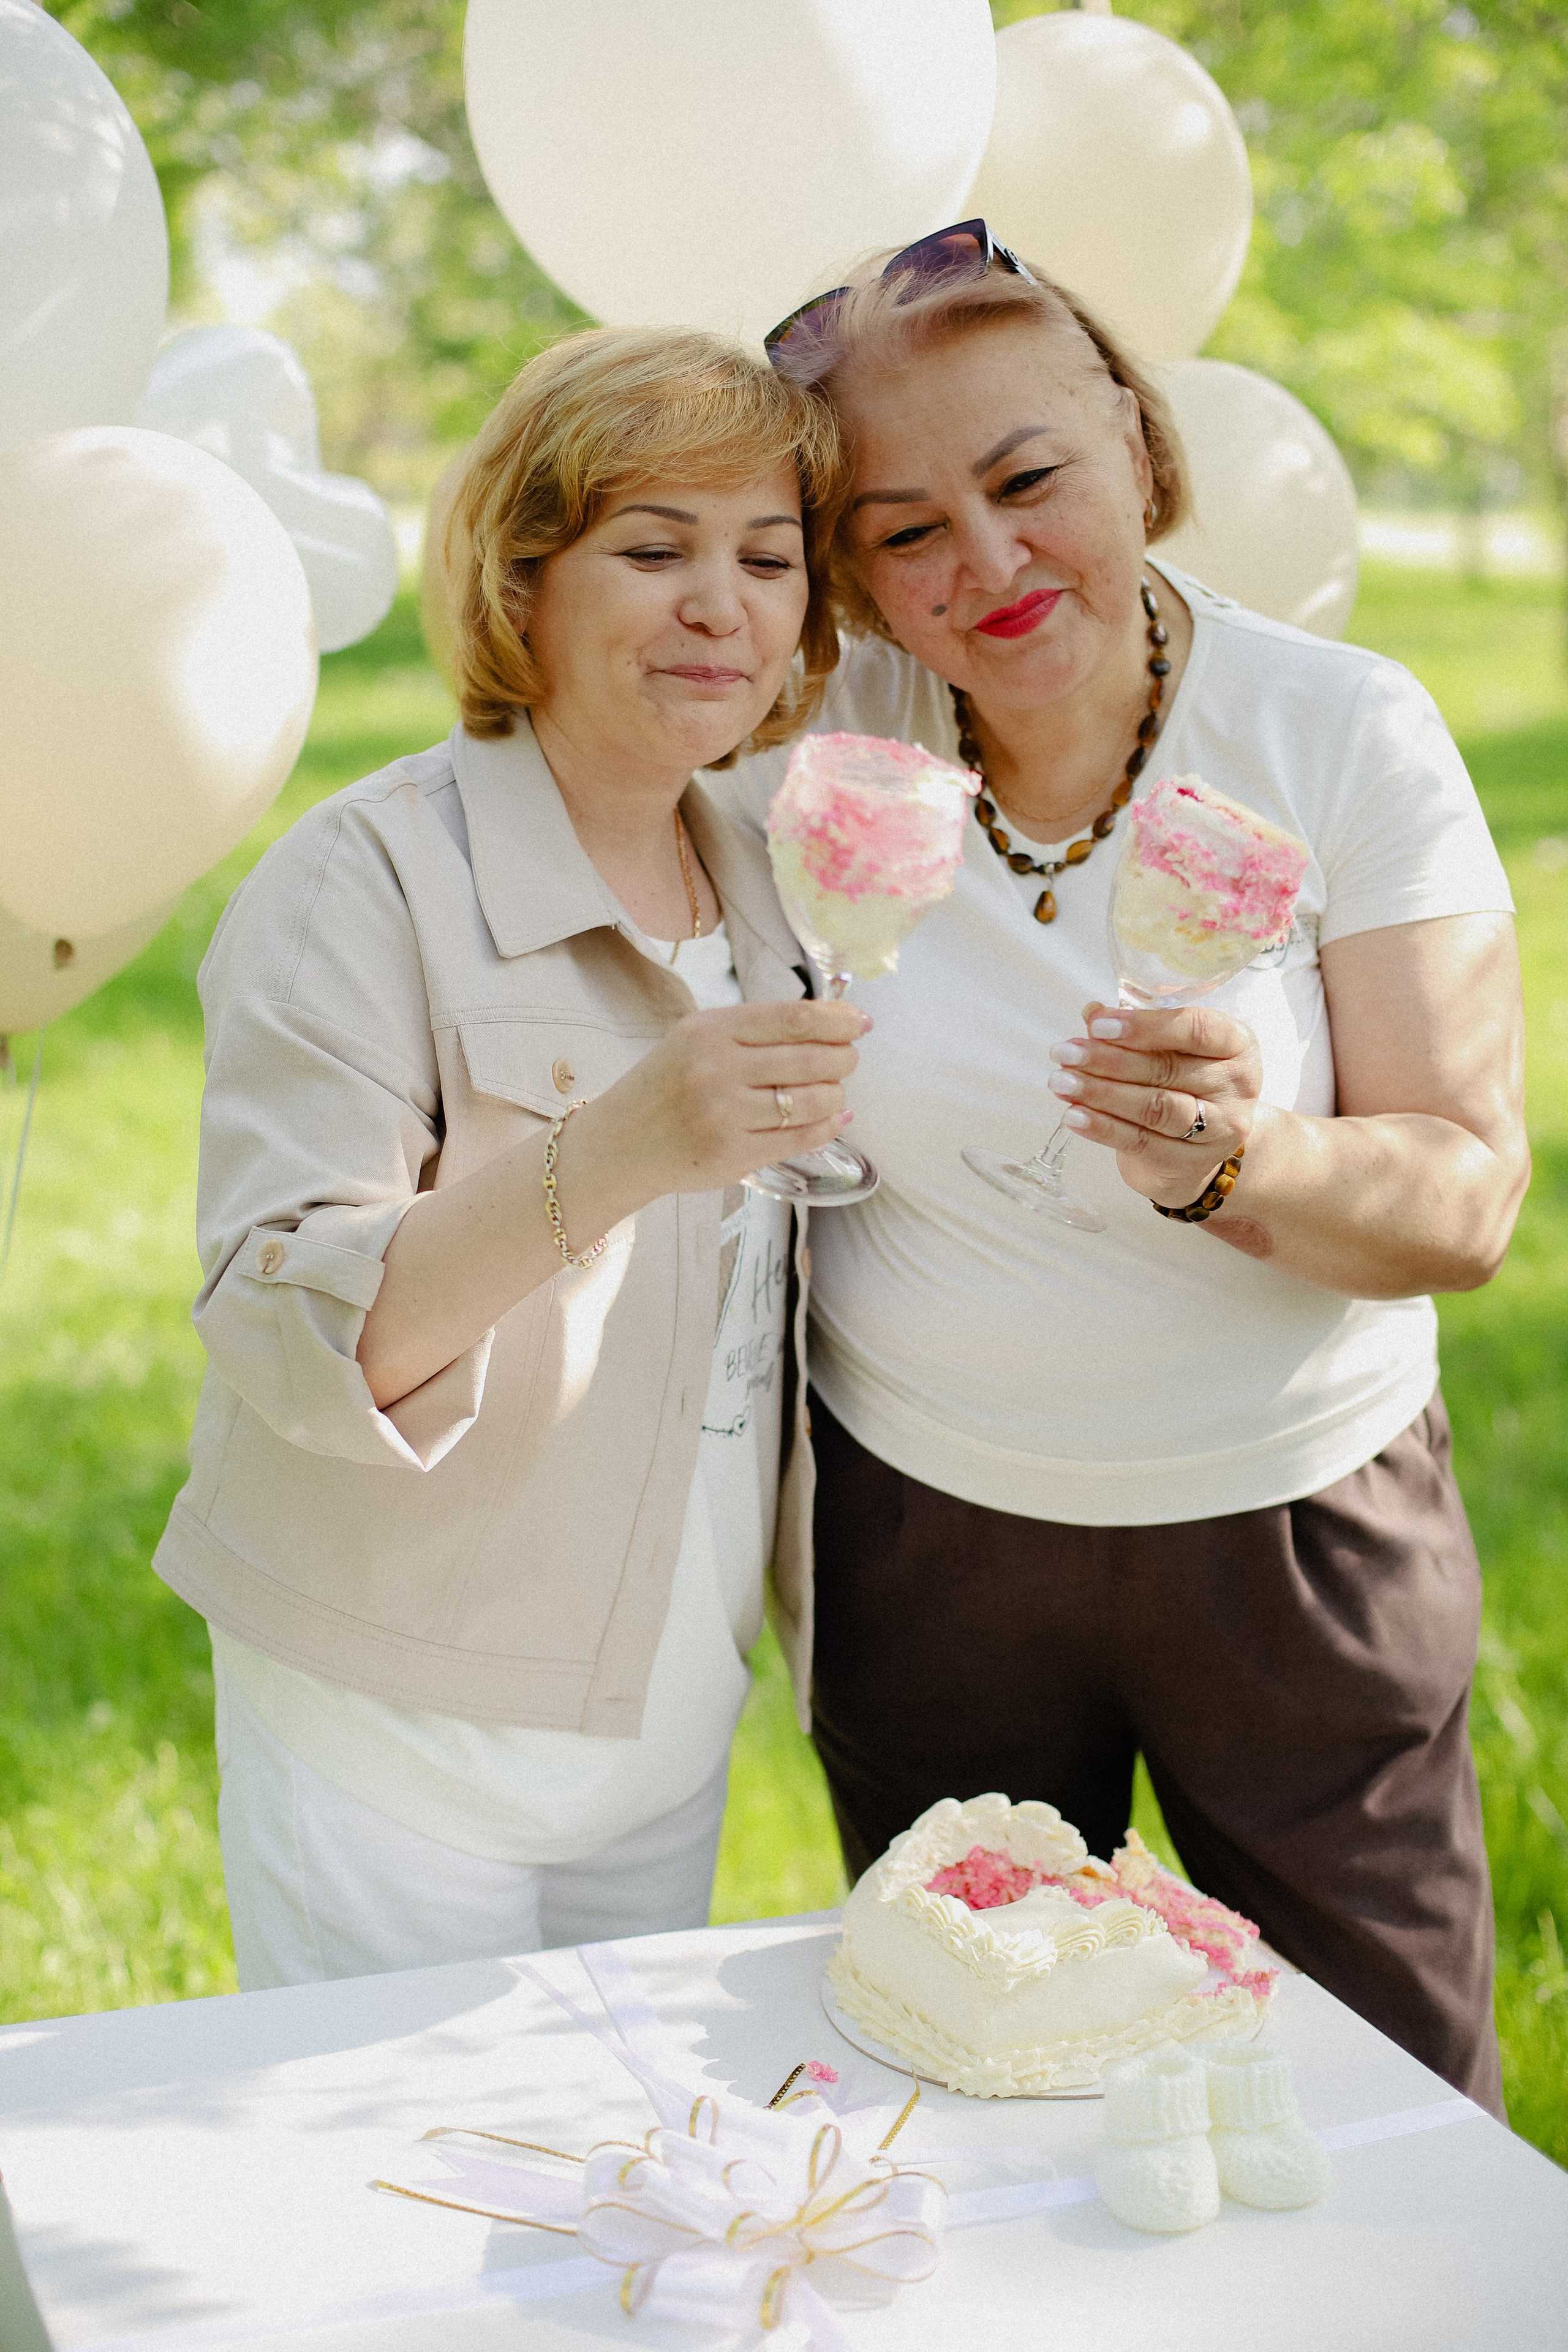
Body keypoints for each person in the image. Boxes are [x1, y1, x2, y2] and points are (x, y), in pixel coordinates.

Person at [728, 226, 1527, 2113]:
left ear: (1141, 460)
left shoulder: (1337, 732)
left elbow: (1468, 1196)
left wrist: (1253, 1154)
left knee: (1384, 2110)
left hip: (1294, 1541)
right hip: (925, 1539)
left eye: (1027, 483)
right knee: (983, 2085)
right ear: (849, 581)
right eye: (902, 531)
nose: (985, 566)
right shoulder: (826, 747)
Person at [152, 326, 866, 1986]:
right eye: (654, 548)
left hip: (665, 1698)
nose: (725, 606)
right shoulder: (366, 883)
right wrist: (617, 1146)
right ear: (519, 578)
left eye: (769, 558)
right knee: (407, 2197)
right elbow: (289, 1330)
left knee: (609, 2204)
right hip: (401, 1720)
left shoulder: (779, 878)